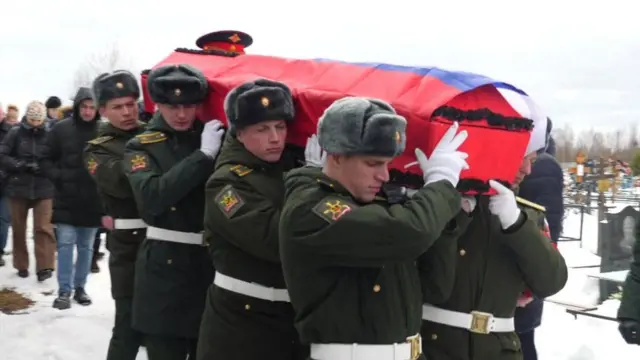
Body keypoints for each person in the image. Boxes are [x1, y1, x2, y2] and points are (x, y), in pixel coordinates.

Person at [279, 97, 470, 360]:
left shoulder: (378, 208)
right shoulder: (312, 209)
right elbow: (409, 231)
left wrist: (439, 218)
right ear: (335, 156)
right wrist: (441, 185)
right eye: (372, 164)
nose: (385, 176)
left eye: (387, 164)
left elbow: (436, 287)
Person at [419, 121, 568, 360]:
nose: (528, 170)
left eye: (532, 160)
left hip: (500, 350)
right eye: (522, 157)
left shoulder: (526, 216)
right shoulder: (447, 204)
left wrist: (517, 224)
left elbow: (552, 281)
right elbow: (432, 286)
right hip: (438, 346)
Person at [197, 79, 307, 360]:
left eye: (280, 127)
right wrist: (313, 183)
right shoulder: (226, 183)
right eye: (262, 129)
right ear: (239, 133)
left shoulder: (289, 168)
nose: (275, 138)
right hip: (240, 326)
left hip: (291, 322)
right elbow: (274, 240)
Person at [123, 64, 225, 360]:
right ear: (157, 105)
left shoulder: (213, 136)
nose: (181, 114)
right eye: (172, 106)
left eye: (189, 105)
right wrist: (203, 157)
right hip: (163, 271)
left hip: (208, 267)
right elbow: (152, 197)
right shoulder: (140, 146)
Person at [84, 70, 147, 360]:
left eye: (131, 104)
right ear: (103, 111)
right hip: (128, 244)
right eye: (117, 107)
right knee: (127, 326)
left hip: (167, 242)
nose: (127, 112)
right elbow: (122, 184)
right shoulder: (97, 150)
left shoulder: (155, 135)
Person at [42, 86, 103, 310]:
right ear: (77, 107)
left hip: (93, 199)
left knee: (86, 247)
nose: (87, 111)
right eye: (84, 107)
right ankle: (64, 290)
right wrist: (58, 178)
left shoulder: (103, 130)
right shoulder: (61, 129)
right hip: (66, 197)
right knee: (66, 244)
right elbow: (45, 158)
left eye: (92, 107)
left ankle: (80, 287)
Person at [514, 118, 563, 360]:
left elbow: (549, 223)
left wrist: (532, 283)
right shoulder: (544, 163)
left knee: (522, 339)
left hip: (527, 264)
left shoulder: (542, 166)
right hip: (521, 260)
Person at [0, 101, 56, 280]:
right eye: (32, 119)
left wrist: (44, 167)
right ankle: (21, 264)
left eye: (38, 119)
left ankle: (45, 267)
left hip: (44, 186)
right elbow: (2, 155)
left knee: (43, 227)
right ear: (27, 117)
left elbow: (56, 157)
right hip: (18, 186)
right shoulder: (15, 132)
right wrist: (20, 165)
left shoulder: (50, 134)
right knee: (18, 228)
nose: (35, 122)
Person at [0, 103, 15, 267]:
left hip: (5, 183)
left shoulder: (10, 132)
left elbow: (12, 156)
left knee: (3, 219)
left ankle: (0, 251)